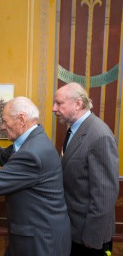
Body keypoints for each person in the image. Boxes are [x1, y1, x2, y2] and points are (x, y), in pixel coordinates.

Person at [0, 96, 71, 256]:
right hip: (32, 233)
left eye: (5, 121)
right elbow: (2, 156)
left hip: (41, 241)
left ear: (21, 119)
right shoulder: (33, 141)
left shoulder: (32, 153)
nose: (2, 126)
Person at [52, 82, 119, 256]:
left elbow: (104, 196)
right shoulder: (75, 129)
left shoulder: (99, 136)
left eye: (59, 103)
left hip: (89, 236)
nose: (54, 108)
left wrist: (92, 237)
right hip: (74, 229)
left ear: (78, 104)